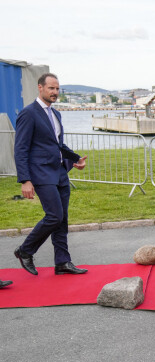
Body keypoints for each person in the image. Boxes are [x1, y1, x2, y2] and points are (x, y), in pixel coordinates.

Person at [13, 73, 88, 276]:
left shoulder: (56, 114)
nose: (55, 92)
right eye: (51, 88)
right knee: (54, 216)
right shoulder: (29, 113)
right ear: (40, 88)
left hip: (59, 173)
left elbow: (58, 145)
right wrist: (25, 180)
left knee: (62, 219)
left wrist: (75, 159)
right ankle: (25, 250)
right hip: (41, 174)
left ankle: (62, 262)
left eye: (57, 89)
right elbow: (20, 149)